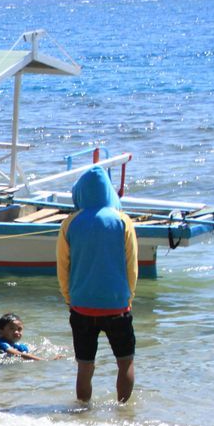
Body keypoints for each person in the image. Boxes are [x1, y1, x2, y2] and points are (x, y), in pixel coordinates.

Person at [56, 166, 138, 403]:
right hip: (117, 306)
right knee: (125, 362)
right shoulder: (123, 221)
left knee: (85, 367)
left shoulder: (70, 223)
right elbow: (131, 266)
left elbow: (63, 267)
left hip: (81, 306)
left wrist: (69, 298)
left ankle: (82, 414)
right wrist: (127, 298)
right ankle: (123, 412)